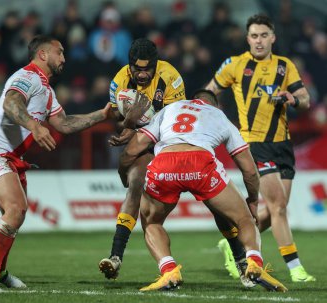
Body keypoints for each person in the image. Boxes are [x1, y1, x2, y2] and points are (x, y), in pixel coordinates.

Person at [0, 35, 114, 293]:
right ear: (43, 54)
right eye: (59, 52)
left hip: (12, 158)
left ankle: (0, 272)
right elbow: (11, 102)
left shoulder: (46, 90)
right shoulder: (27, 76)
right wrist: (34, 126)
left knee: (17, 214)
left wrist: (102, 115)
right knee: (16, 208)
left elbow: (65, 124)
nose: (64, 58)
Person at [118, 89, 287, 292]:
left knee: (152, 222)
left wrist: (123, 173)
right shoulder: (218, 115)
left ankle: (169, 270)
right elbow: (249, 170)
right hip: (200, 164)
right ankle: (254, 262)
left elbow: (133, 149)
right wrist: (252, 200)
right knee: (244, 220)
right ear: (215, 105)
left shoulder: (171, 108)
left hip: (165, 164)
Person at [205, 14, 315, 282]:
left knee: (276, 208)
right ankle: (295, 267)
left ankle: (234, 244)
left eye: (264, 35)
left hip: (282, 144)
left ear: (272, 37)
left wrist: (293, 99)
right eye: (254, 36)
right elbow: (208, 94)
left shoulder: (284, 66)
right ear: (247, 39)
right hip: (254, 144)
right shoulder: (235, 65)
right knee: (278, 206)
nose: (258, 41)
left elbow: (305, 99)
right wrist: (209, 117)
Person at [98, 38, 186, 279]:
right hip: (143, 143)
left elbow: (175, 121)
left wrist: (133, 125)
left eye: (148, 69)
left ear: (156, 65)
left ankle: (241, 259)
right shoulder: (119, 79)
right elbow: (117, 115)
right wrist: (128, 122)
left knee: (209, 197)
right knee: (136, 185)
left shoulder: (171, 77)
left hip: (170, 142)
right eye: (138, 69)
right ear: (130, 66)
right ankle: (115, 257)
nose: (143, 74)